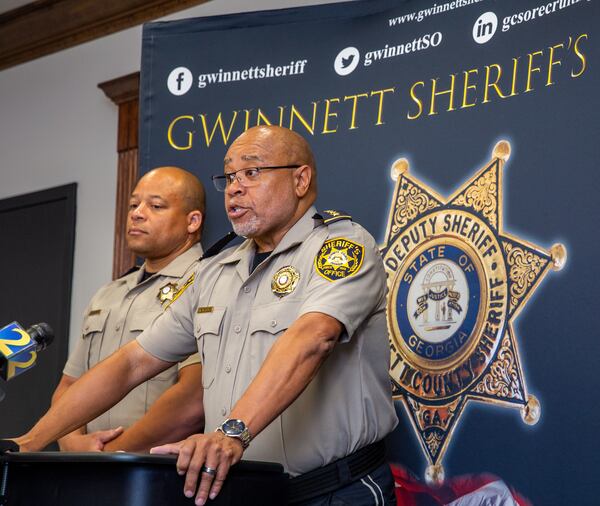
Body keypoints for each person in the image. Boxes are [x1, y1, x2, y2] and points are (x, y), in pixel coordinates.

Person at [14, 126, 398, 505]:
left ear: (300, 179)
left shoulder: (341, 247)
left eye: (251, 172)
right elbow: (134, 361)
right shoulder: (214, 271)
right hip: (242, 491)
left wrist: (231, 433)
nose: (234, 187)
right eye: (229, 176)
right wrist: (29, 443)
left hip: (333, 492)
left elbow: (313, 338)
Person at [53, 166, 206, 452]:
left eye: (156, 206)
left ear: (192, 221)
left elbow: (191, 399)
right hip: (86, 469)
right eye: (134, 204)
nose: (137, 213)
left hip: (158, 473)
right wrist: (73, 443)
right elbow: (70, 385)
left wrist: (112, 454)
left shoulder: (207, 284)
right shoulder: (108, 294)